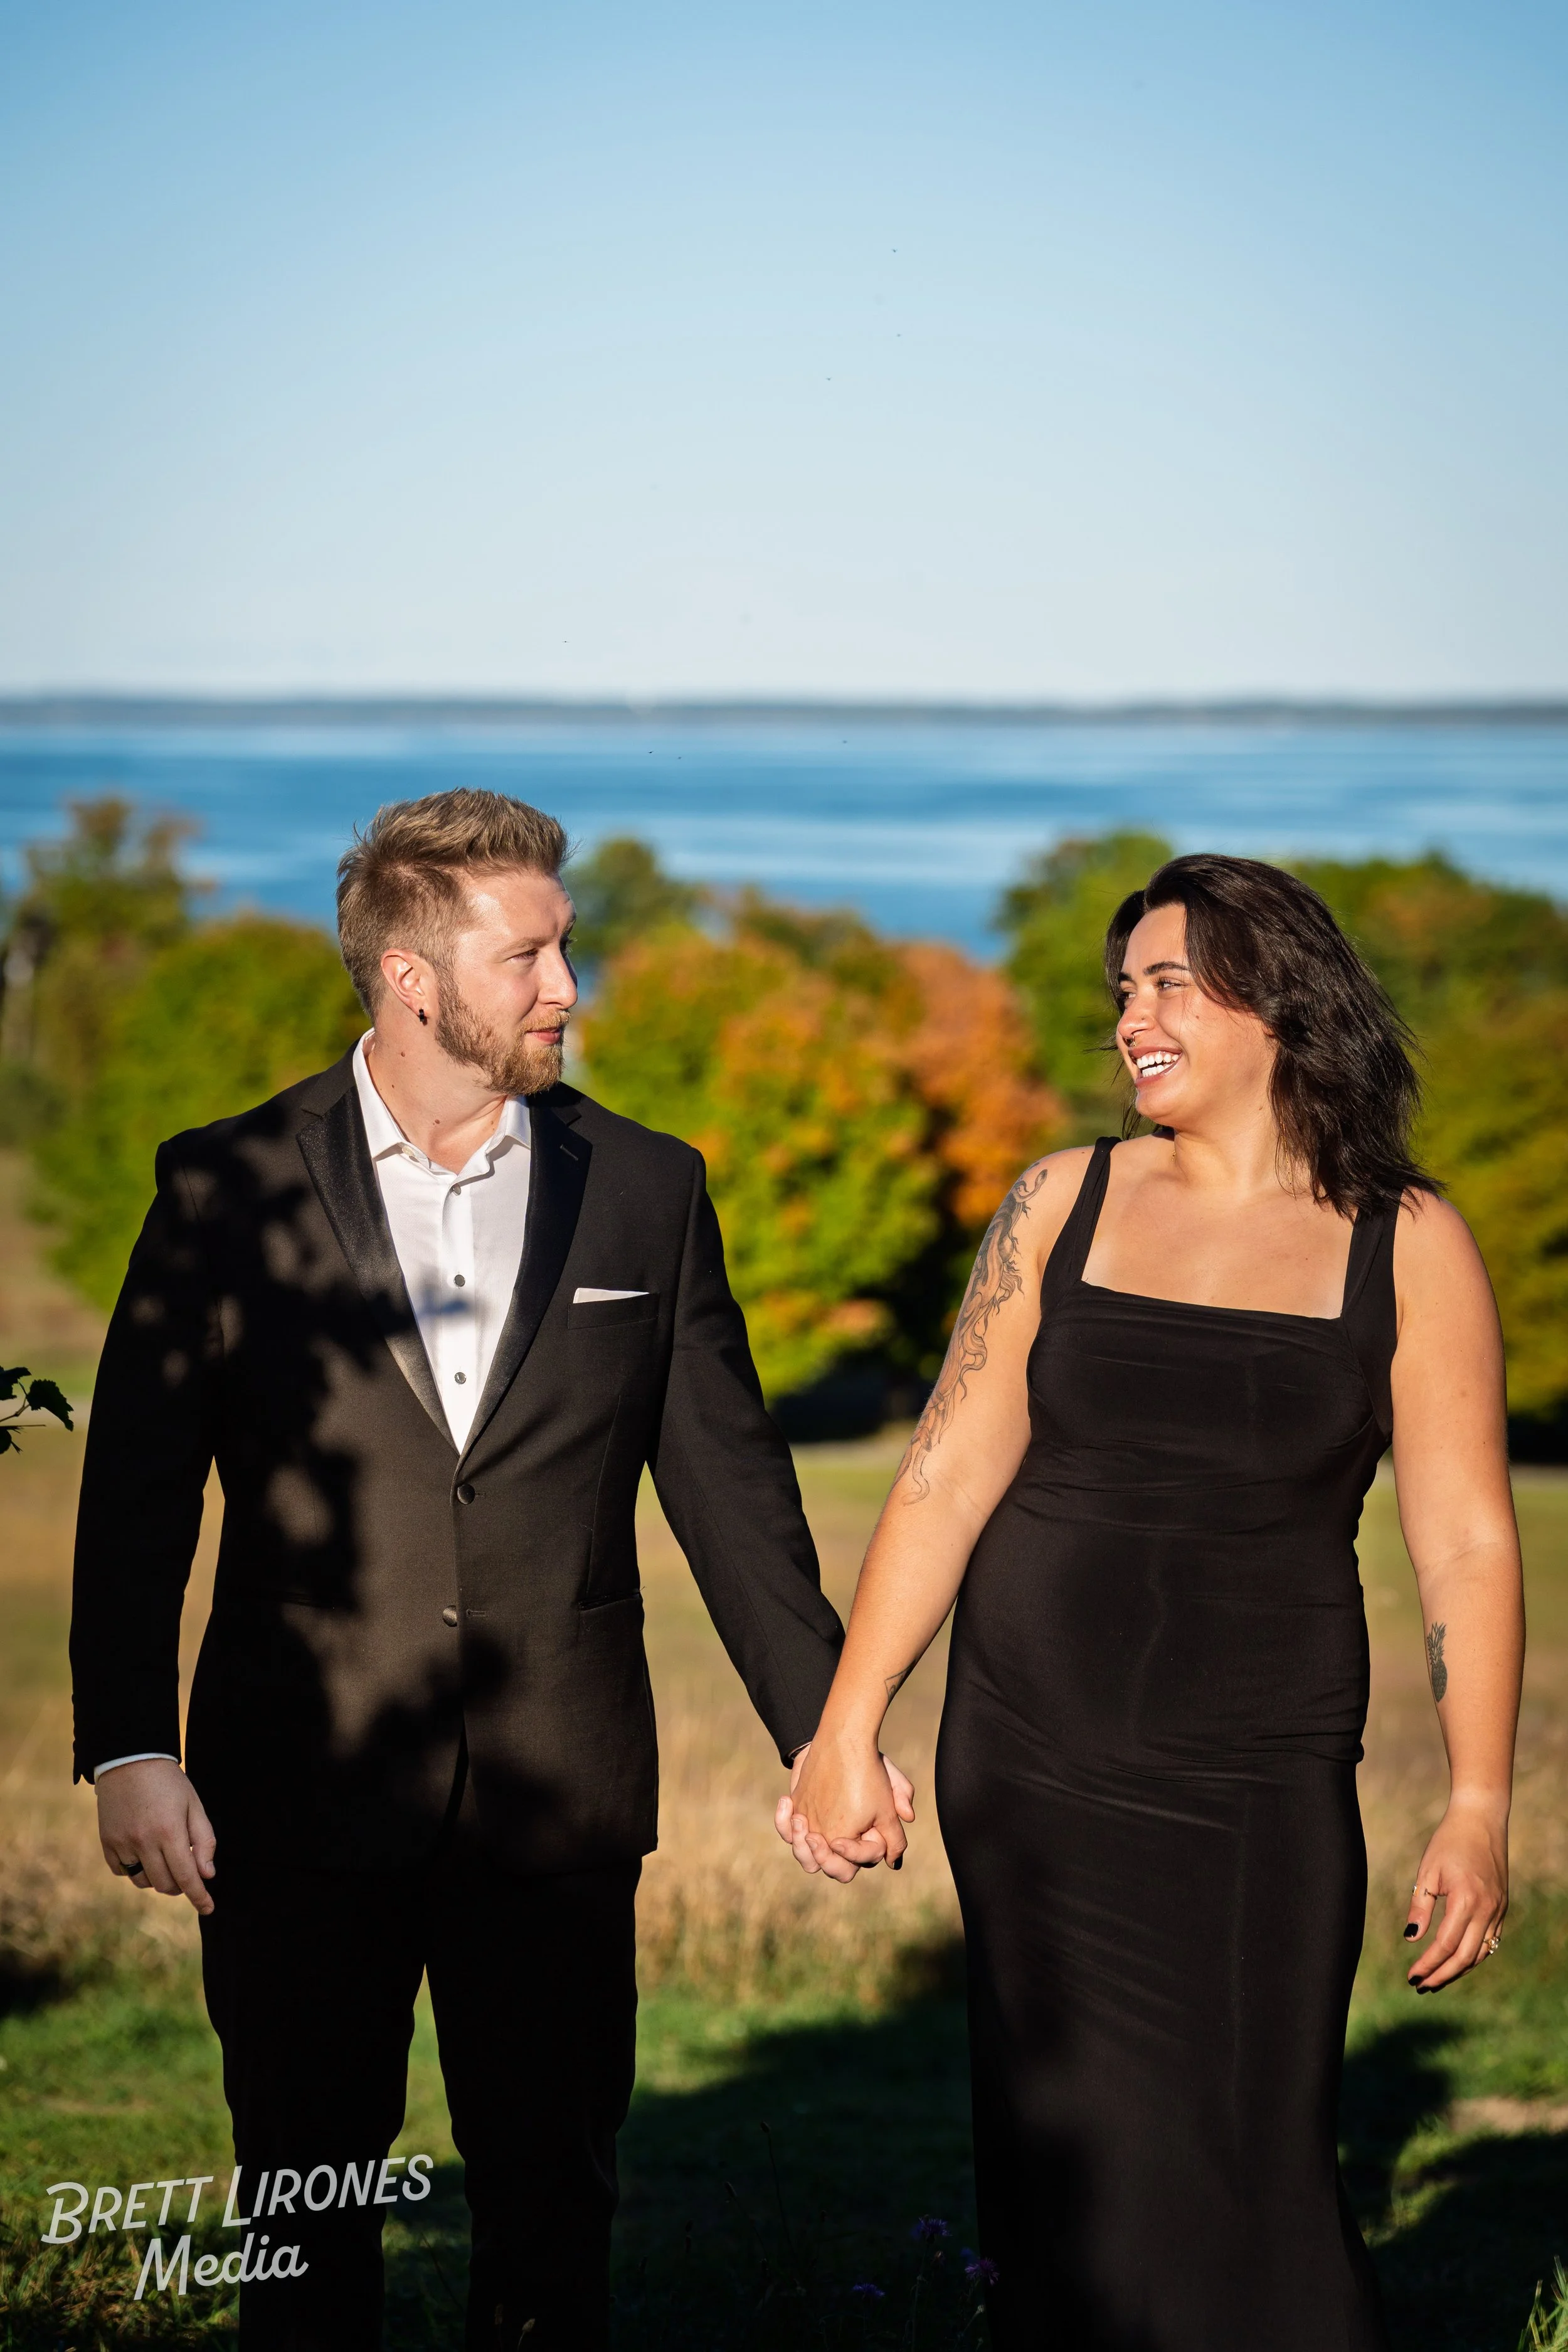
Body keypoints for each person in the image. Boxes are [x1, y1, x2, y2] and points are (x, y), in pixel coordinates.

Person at [72, 788, 906, 2352]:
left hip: (559, 1793)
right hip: (294, 1787)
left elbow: (730, 1492)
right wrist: (129, 1745)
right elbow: (134, 1496)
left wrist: (826, 1731)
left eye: (563, 949)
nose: (564, 988)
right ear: (410, 977)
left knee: (552, 2200)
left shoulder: (648, 1188)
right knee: (300, 2203)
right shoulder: (222, 1186)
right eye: (528, 956)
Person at [780, 853, 1523, 2350]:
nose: (1133, 1015)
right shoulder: (1063, 1198)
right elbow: (939, 1474)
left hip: (1257, 1776)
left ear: (1279, 1003)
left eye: (1171, 981)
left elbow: (1463, 1543)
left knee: (1252, 2169)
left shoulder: (1405, 1240)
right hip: (1033, 1765)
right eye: (1122, 989)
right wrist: (844, 1724)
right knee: (1068, 2181)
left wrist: (1477, 1801)